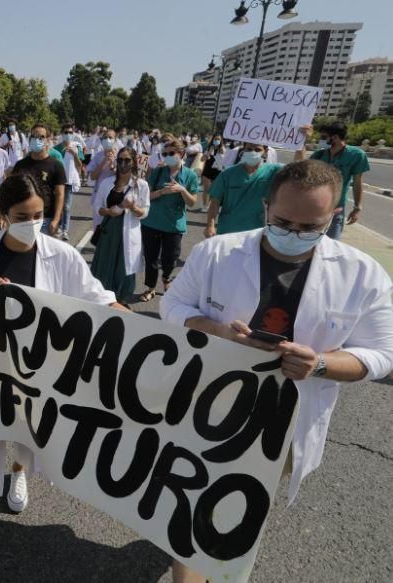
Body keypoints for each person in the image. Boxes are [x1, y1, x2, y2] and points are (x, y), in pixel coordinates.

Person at [160, 159, 393, 583]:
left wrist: (321, 363)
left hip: (285, 423)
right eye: (283, 221)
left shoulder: (363, 275)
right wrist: (216, 332)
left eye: (310, 227)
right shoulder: (216, 253)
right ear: (266, 207)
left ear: (334, 216)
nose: (294, 234)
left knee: (241, 511)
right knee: (192, 500)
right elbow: (173, 306)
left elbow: (380, 353)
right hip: (208, 406)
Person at [0, 174, 124, 562]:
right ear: (4, 214)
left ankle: (19, 473)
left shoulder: (63, 255)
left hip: (42, 372)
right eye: (23, 215)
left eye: (39, 214)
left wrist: (149, 329)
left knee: (28, 433)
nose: (32, 221)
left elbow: (98, 299)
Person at [138, 138, 199, 302]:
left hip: (174, 226)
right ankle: (150, 288)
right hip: (152, 223)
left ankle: (166, 279)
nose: (167, 156)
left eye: (171, 153)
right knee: (151, 258)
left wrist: (182, 190)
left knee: (170, 258)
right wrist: (161, 193)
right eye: (164, 154)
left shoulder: (190, 175)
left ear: (182, 154)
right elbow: (145, 197)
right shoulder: (158, 172)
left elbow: (192, 203)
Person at [90, 147, 150, 303]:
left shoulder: (141, 185)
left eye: (127, 160)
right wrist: (108, 212)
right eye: (120, 160)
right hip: (108, 232)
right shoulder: (106, 182)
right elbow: (97, 207)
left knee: (124, 268)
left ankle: (121, 301)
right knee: (104, 265)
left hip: (128, 233)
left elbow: (145, 213)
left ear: (134, 162)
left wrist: (132, 207)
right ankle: (103, 299)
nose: (123, 163)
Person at [296, 122, 370, 240]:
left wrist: (357, 208)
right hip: (315, 208)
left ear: (334, 137)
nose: (322, 140)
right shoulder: (319, 155)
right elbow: (301, 171)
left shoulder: (356, 155)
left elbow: (357, 183)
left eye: (324, 137)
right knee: (308, 243)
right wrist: (302, 141)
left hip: (336, 210)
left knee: (332, 245)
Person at [205, 142, 281, 238]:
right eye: (249, 149)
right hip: (228, 231)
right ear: (243, 150)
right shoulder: (228, 174)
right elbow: (215, 202)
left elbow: (297, 171)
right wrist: (210, 226)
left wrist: (300, 147)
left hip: (258, 234)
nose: (253, 152)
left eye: (257, 150)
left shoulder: (273, 172)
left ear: (265, 151)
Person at [9, 124, 66, 236]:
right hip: (23, 219)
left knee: (43, 253)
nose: (37, 140)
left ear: (48, 140)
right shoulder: (21, 165)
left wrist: (56, 219)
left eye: (41, 137)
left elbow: (60, 194)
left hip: (45, 219)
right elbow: (13, 191)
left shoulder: (56, 165)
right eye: (34, 137)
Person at [52, 124, 85, 241]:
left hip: (69, 180)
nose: (68, 135)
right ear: (62, 133)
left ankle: (65, 230)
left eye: (70, 132)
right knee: (57, 205)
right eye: (66, 132)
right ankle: (58, 226)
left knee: (66, 206)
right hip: (58, 181)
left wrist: (75, 154)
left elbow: (80, 166)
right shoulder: (56, 148)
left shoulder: (77, 147)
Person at [86, 129, 120, 227]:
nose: (107, 140)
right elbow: (92, 176)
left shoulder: (121, 156)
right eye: (105, 137)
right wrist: (104, 161)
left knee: (114, 227)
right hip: (100, 196)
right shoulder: (98, 156)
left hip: (116, 196)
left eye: (110, 138)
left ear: (115, 140)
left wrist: (113, 166)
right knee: (99, 227)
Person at [200, 135, 226, 211]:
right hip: (207, 170)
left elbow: (225, 161)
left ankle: (210, 204)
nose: (217, 140)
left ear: (221, 141)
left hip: (217, 171)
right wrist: (209, 152)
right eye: (215, 139)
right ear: (213, 140)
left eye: (218, 139)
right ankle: (205, 206)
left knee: (214, 190)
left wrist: (221, 153)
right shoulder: (209, 148)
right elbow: (202, 159)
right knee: (206, 189)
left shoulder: (223, 149)